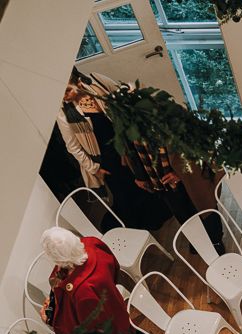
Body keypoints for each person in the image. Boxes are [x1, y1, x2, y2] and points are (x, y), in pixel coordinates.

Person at [57, 69, 171, 232]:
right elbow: (72, 146)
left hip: (126, 145)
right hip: (105, 158)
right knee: (124, 192)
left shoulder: (96, 80)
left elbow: (121, 89)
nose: (64, 96)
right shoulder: (63, 112)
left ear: (78, 81)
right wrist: (94, 168)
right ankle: (137, 225)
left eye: (67, 89)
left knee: (142, 181)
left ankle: (155, 215)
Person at [40, 227, 131, 334]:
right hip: (114, 303)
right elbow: (115, 267)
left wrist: (51, 321)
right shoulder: (92, 243)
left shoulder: (82, 291)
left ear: (59, 260)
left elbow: (88, 330)